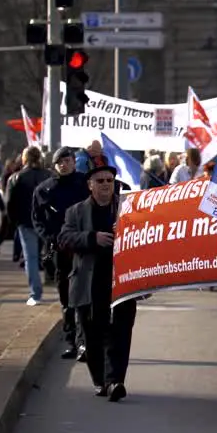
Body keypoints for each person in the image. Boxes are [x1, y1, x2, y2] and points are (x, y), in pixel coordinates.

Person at [58, 164, 136, 401]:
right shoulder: (76, 211)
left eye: (109, 180)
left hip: (121, 282)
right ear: (90, 185)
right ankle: (100, 381)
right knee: (93, 336)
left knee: (120, 334)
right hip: (88, 285)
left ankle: (115, 381)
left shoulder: (128, 210)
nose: (105, 185)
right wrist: (93, 238)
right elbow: (64, 238)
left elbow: (144, 239)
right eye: (100, 181)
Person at [33, 147, 90, 360]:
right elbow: (37, 218)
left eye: (67, 160)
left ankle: (84, 342)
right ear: (54, 165)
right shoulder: (44, 190)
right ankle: (71, 342)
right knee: (66, 298)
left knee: (84, 296)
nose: (64, 165)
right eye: (60, 162)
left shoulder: (86, 184)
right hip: (59, 250)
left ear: (74, 162)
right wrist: (49, 237)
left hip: (83, 247)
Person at [7, 147, 53, 305]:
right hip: (46, 222)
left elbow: (10, 203)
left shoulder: (16, 177)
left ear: (24, 159)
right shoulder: (49, 175)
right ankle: (55, 283)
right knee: (50, 255)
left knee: (31, 258)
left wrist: (14, 221)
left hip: (25, 222)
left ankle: (35, 294)